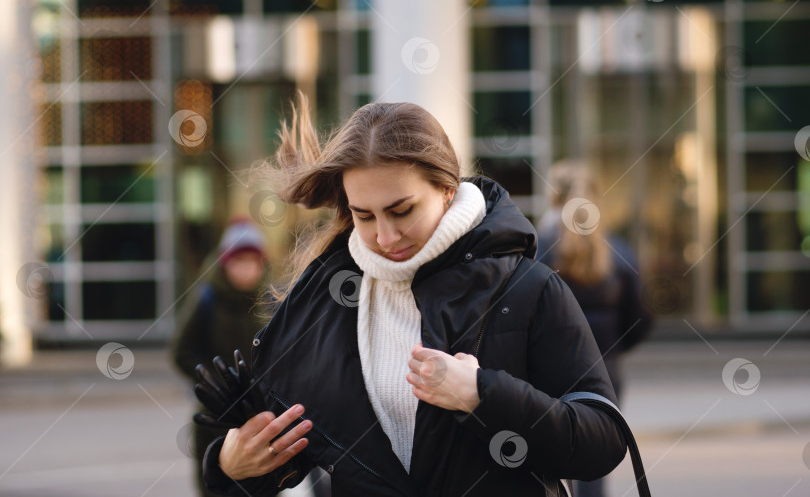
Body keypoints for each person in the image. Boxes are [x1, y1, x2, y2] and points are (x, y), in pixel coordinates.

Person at [200, 93, 628, 496]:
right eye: (363, 215)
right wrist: (228, 464)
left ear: (446, 188)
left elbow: (603, 440)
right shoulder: (326, 302)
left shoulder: (528, 287)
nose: (385, 236)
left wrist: (482, 394)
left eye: (401, 210)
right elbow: (297, 456)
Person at [536, 160, 654, 497]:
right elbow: (642, 316)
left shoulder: (537, 249)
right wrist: (613, 349)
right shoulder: (620, 249)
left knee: (548, 465)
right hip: (605, 373)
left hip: (549, 373)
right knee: (593, 465)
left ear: (553, 197)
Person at [171, 217, 273, 497]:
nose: (246, 270)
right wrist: (216, 384)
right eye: (239, 262)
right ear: (225, 264)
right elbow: (181, 353)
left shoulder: (270, 302)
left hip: (260, 415)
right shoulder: (207, 299)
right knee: (216, 489)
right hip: (214, 418)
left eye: (252, 262)